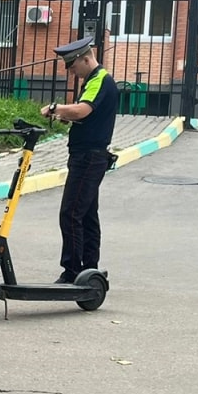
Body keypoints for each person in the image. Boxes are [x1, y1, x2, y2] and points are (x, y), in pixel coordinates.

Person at [40, 36, 119, 284]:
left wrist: (56, 108)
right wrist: (68, 117)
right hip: (89, 157)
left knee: (71, 213)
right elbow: (88, 117)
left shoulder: (100, 80)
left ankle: (73, 271)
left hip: (88, 158)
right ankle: (89, 270)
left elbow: (82, 110)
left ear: (86, 58)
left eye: (74, 68)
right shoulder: (93, 81)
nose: (73, 73)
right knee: (86, 214)